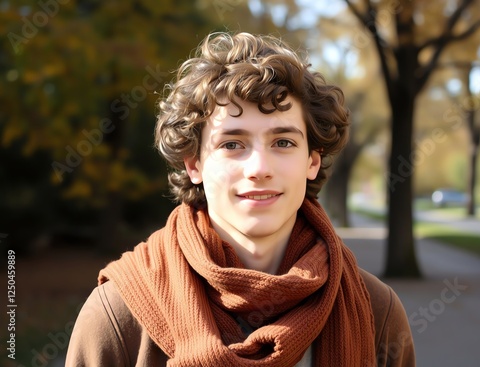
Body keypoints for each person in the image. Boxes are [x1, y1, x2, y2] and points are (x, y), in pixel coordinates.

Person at [66, 31, 415, 366]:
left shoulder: (377, 313)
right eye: (232, 144)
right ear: (194, 164)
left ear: (312, 160)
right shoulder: (116, 315)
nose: (259, 168)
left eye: (283, 142)